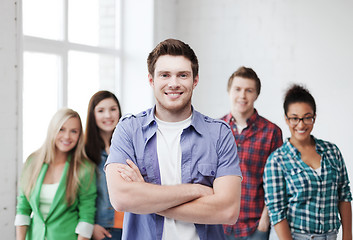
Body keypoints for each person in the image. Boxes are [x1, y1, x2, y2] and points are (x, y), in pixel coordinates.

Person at [105, 38, 242, 240]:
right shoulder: (128, 130)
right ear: (151, 80)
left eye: (183, 75)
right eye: (165, 75)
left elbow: (227, 211)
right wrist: (195, 190)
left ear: (195, 80)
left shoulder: (220, 134)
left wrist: (145, 196)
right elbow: (121, 199)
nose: (174, 83)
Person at [263, 84, 352, 240]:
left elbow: (344, 195)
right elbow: (277, 213)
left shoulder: (332, 152)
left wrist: (347, 236)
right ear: (286, 118)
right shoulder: (277, 161)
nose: (301, 124)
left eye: (307, 117)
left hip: (331, 236)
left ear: (314, 117)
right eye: (294, 119)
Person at [15, 108, 97, 240]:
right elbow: (23, 208)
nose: (67, 137)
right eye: (61, 129)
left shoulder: (85, 168)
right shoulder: (32, 162)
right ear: (52, 130)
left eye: (74, 131)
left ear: (79, 135)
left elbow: (86, 217)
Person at [221, 66, 283, 240]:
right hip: (219, 225)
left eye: (249, 90)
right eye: (238, 89)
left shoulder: (271, 132)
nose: (243, 96)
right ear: (229, 91)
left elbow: (276, 183)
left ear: (256, 95)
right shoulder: (215, 129)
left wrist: (265, 222)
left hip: (255, 227)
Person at [85, 90, 124, 240]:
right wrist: (91, 226)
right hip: (103, 228)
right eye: (101, 110)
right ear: (92, 115)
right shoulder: (85, 151)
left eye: (113, 109)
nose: (108, 115)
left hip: (130, 224)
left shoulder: (130, 146)